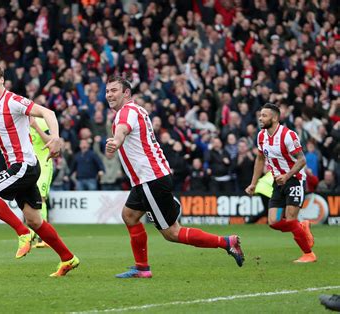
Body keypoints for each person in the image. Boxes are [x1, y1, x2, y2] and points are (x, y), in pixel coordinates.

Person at [104, 75, 244, 278]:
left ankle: (227, 242)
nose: (109, 95)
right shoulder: (137, 110)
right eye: (107, 91)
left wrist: (116, 141)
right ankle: (142, 268)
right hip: (147, 180)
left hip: (150, 180)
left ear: (126, 93)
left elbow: (122, 130)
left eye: (114, 90)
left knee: (172, 233)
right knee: (129, 215)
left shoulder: (126, 112)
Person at [0, 59, 79, 277]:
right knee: (35, 220)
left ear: (1, 80)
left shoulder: (14, 101)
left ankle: (22, 233)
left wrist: (56, 137)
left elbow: (49, 113)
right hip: (19, 168)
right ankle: (68, 258)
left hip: (24, 166)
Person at [245, 103, 316, 263]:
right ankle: (303, 227)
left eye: (264, 115)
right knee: (273, 222)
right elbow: (260, 159)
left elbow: (302, 160)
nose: (260, 118)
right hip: (278, 182)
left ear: (275, 118)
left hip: (295, 179)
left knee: (290, 219)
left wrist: (288, 175)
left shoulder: (288, 135)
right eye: (260, 115)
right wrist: (253, 183)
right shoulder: (261, 136)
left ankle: (309, 254)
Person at [29, 116, 53, 248]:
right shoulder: (21, 123)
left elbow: (50, 142)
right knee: (30, 200)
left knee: (41, 198)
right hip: (30, 166)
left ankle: (44, 237)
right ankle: (33, 234)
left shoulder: (43, 122)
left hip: (44, 164)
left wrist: (36, 127)